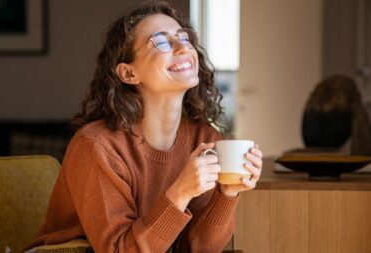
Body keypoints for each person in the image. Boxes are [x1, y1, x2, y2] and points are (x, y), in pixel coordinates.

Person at [24, 1, 263, 252]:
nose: (183, 47)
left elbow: (195, 248)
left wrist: (227, 194)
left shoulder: (204, 138)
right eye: (161, 41)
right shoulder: (97, 146)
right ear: (128, 74)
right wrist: (179, 192)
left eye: (185, 37)